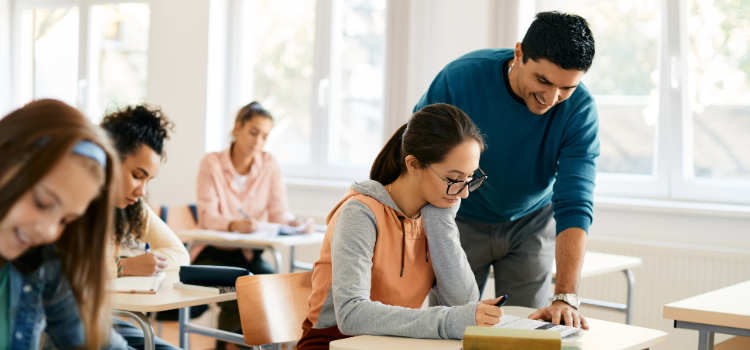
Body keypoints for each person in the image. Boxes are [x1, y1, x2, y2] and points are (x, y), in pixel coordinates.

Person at [414, 11, 598, 329]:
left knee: (528, 330)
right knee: (453, 326)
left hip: (531, 224)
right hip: (460, 217)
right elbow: (414, 153)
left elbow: (575, 202)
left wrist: (566, 296)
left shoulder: (580, 109)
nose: (551, 98)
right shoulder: (459, 80)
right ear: (519, 54)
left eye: (565, 88)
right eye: (542, 80)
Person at [298, 103, 510, 350]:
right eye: (453, 179)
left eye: (470, 178)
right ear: (413, 164)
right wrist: (448, 321)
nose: (464, 194)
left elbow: (464, 302)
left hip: (394, 345)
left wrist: (442, 220)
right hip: (335, 344)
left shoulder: (433, 215)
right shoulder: (360, 212)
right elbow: (351, 315)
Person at [0, 99, 128, 350]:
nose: (49, 231)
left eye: (66, 221)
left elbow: (98, 343)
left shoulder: (43, 260)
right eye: (42, 202)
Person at [195, 101, 313, 349]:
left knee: (276, 292)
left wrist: (294, 222)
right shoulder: (211, 163)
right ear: (237, 127)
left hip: (249, 254)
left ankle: (251, 346)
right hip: (214, 253)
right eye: (253, 132)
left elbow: (278, 213)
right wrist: (233, 224)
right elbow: (206, 217)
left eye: (264, 136)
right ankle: (231, 346)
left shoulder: (269, 164)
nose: (258, 141)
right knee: (242, 294)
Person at [99, 105, 190, 350]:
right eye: (137, 175)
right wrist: (124, 266)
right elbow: (65, 271)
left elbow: (180, 254)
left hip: (103, 317)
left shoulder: (132, 207)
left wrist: (136, 262)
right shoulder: (75, 199)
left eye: (148, 180)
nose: (142, 191)